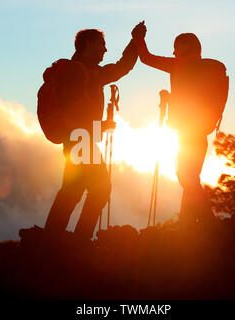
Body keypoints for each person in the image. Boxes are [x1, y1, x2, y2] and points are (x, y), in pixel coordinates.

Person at [43, 27, 138, 242]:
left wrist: (135, 42)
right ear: (87, 46)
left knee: (73, 190)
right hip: (80, 139)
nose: (105, 50)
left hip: (78, 137)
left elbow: (121, 68)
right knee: (98, 189)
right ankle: (76, 240)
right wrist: (135, 42)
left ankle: (52, 240)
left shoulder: (84, 71)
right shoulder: (80, 72)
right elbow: (78, 112)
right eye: (100, 45)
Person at [132, 22, 216, 229]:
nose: (173, 52)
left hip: (186, 132)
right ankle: (187, 224)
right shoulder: (206, 69)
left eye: (176, 48)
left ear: (185, 49)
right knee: (190, 177)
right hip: (201, 131)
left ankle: (209, 224)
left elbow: (146, 58)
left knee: (186, 177)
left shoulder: (178, 66)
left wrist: (138, 37)